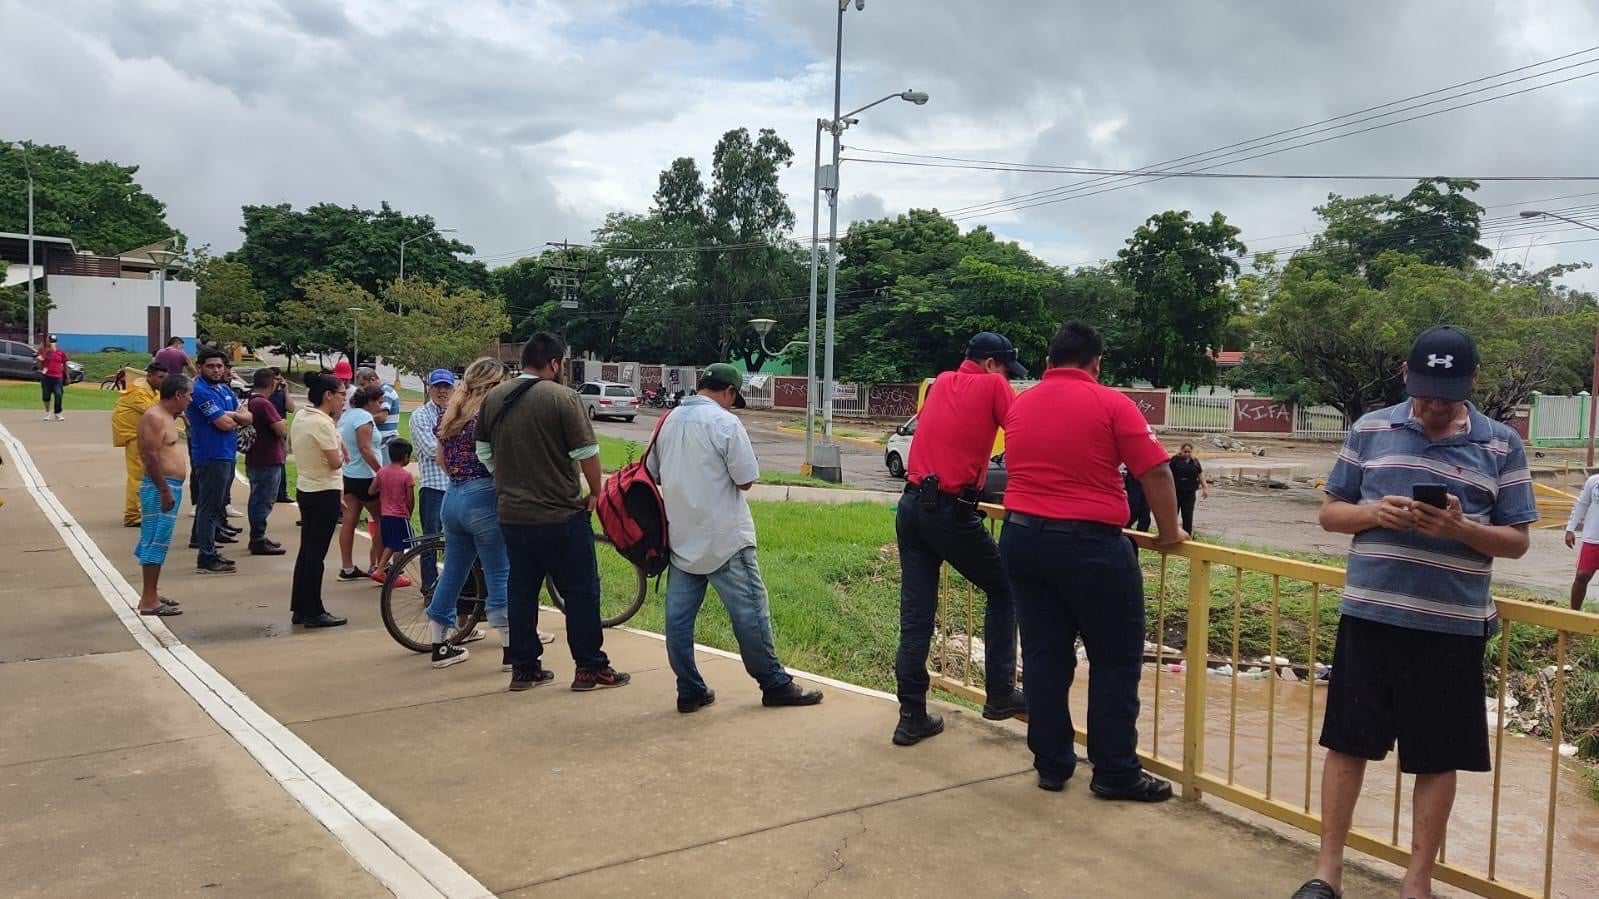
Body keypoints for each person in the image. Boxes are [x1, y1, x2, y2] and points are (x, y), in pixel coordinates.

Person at [1293, 326, 1535, 899]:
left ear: (1471, 384)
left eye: (1447, 395)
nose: (1434, 405)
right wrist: (1377, 513)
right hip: (1370, 616)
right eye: (1426, 391)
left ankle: (1417, 882)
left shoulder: (1502, 444)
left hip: (1450, 627)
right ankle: (1327, 872)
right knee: (1347, 743)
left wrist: (1462, 529)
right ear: (1406, 375)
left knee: (1436, 756)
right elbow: (1331, 514)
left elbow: (1519, 541)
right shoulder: (1370, 428)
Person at [1001, 320, 1186, 799]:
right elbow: (1158, 471)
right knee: (1115, 660)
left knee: (1044, 657)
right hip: (1089, 548)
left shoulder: (1021, 405)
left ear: (1048, 362)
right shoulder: (1111, 403)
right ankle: (1114, 772)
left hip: (1022, 538)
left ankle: (1051, 764)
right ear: (1096, 363)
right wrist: (1170, 533)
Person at [646, 362, 824, 713]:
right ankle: (774, 683)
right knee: (750, 615)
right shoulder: (725, 422)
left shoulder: (666, 421)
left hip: (682, 541)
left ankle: (689, 689)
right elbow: (745, 479)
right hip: (726, 540)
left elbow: (652, 472)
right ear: (728, 391)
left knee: (678, 622)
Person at [891, 331, 1028, 747]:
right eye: (1007, 369)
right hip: (948, 511)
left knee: (916, 617)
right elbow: (1025, 432)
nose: (1009, 379)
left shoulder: (941, 381)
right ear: (990, 364)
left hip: (911, 507)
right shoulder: (993, 385)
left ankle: (911, 715)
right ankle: (1001, 693)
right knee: (1005, 588)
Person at [477, 332, 630, 693]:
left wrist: (506, 478)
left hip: (513, 516)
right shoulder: (563, 397)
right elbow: (587, 452)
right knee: (580, 592)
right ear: (555, 363)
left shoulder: (494, 397)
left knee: (521, 590)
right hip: (561, 515)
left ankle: (525, 668)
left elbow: (483, 452)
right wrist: (595, 492)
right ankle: (590, 668)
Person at [425, 359, 516, 670]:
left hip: (452, 496)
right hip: (483, 496)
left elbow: (441, 459)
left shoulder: (452, 414)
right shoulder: (490, 415)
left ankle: (439, 645)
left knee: (452, 572)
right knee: (499, 571)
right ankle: (510, 649)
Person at [286, 373, 350, 629]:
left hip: (307, 488)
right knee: (316, 555)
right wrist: (342, 453)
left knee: (307, 552)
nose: (344, 399)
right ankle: (313, 610)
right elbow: (335, 462)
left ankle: (301, 607)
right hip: (324, 491)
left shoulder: (303, 416)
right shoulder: (322, 424)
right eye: (342, 394)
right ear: (328, 395)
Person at [186, 347, 251, 574]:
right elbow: (224, 424)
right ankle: (206, 555)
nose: (216, 370)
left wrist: (231, 416)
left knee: (215, 505)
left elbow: (247, 416)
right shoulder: (200, 391)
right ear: (200, 366)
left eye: (219, 366)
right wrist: (233, 417)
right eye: (211, 366)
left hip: (226, 453)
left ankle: (210, 550)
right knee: (209, 506)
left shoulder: (223, 389)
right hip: (210, 455)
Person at [132, 373, 193, 617]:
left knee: (159, 542)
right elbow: (149, 456)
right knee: (154, 541)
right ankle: (148, 599)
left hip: (169, 486)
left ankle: (152, 592)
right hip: (160, 487)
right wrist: (164, 490)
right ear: (178, 395)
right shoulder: (154, 417)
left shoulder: (168, 416)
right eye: (189, 395)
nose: (190, 400)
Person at [409, 368, 455, 593]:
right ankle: (429, 587)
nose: (442, 391)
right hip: (434, 487)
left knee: (457, 542)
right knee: (431, 541)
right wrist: (458, 449)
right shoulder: (421, 415)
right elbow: (429, 449)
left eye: (446, 387)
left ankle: (453, 588)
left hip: (456, 486)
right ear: (429, 388)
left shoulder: (457, 413)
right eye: (437, 386)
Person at [337, 385, 386, 581]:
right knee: (383, 519)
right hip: (366, 476)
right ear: (370, 401)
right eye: (380, 402)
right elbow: (365, 448)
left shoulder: (347, 415)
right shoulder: (364, 418)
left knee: (349, 521)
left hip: (349, 475)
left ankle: (347, 567)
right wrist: (382, 473)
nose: (381, 407)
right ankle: (381, 566)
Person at [113, 361, 167, 527]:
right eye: (160, 377)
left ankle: (142, 511)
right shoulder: (139, 391)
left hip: (143, 435)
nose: (163, 381)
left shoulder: (151, 390)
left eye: (165, 378)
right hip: (135, 436)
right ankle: (132, 515)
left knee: (148, 475)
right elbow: (155, 411)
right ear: (149, 376)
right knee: (138, 476)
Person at [244, 368, 288, 556]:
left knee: (258, 497)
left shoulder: (252, 401)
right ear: (272, 383)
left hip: (256, 457)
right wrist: (283, 424)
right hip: (267, 458)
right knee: (263, 500)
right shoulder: (264, 404)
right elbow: (281, 430)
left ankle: (258, 536)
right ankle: (258, 538)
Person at [371, 438, 415, 584]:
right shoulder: (406, 476)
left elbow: (371, 490)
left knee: (391, 544)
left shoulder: (382, 472)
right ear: (406, 457)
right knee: (400, 547)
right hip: (400, 515)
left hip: (385, 515)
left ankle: (380, 569)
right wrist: (409, 512)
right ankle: (395, 574)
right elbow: (410, 499)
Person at [1565, 472, 1599, 611]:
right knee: (1582, 576)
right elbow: (1582, 504)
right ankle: (1574, 616)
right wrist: (1570, 528)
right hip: (1592, 538)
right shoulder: (1594, 481)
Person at [269, 367, 296, 504]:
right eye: (275, 379)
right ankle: (270, 492)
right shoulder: (264, 395)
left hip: (281, 433)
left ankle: (281, 492)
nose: (277, 382)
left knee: (281, 463)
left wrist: (286, 391)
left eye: (279, 379)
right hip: (267, 433)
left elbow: (291, 408)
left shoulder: (281, 394)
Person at [1169, 442, 1207, 534]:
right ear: (1181, 451)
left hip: (1189, 493)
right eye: (1185, 451)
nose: (1187, 454)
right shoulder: (1174, 460)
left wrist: (1205, 487)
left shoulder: (1195, 462)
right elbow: (1167, 474)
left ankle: (1187, 535)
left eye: (1189, 452)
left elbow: (1200, 474)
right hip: (1176, 492)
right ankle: (1171, 533)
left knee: (1188, 515)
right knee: (1173, 515)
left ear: (1192, 452)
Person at [35, 335, 69, 421]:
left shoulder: (61, 352)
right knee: (46, 396)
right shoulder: (42, 350)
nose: (52, 343)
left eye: (53, 341)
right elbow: (39, 360)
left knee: (58, 394)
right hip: (46, 377)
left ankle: (57, 413)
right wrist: (47, 353)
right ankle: (47, 413)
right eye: (50, 341)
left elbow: (65, 364)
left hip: (58, 377)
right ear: (47, 341)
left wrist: (67, 377)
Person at [1123, 464, 1151, 532]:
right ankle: (1124, 529)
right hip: (1134, 479)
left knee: (1145, 513)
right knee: (1133, 508)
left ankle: (1142, 534)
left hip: (1146, 479)